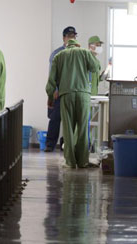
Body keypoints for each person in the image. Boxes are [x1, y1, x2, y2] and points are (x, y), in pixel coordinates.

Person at [46, 39, 100, 168]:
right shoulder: (84, 52)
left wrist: (50, 97)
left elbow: (51, 80)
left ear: (67, 46)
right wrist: (91, 55)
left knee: (68, 128)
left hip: (66, 95)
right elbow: (95, 68)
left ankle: (70, 162)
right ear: (77, 45)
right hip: (83, 95)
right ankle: (82, 161)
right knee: (82, 128)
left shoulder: (59, 56)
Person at [45, 26, 80, 152]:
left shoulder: (79, 53)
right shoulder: (57, 53)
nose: (72, 39)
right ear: (64, 38)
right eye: (69, 36)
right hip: (59, 92)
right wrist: (53, 90)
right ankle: (50, 144)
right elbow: (51, 74)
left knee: (70, 120)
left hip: (72, 92)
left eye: (74, 36)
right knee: (55, 118)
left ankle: (66, 144)